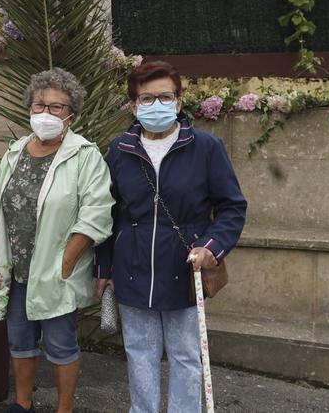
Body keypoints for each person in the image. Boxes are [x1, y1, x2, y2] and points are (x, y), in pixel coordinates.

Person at [94, 61, 247, 413]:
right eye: (146, 98)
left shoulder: (206, 147)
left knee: (185, 358)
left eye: (164, 96)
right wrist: (104, 268)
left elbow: (232, 207)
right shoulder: (120, 150)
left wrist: (211, 249)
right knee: (139, 356)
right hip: (132, 270)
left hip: (184, 270)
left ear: (178, 102)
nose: (156, 105)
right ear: (133, 106)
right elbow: (108, 212)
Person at [0, 69, 114, 413]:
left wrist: (67, 263)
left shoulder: (85, 156)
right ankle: (23, 402)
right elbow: (0, 205)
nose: (46, 113)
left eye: (57, 107)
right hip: (16, 270)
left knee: (60, 343)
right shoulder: (15, 151)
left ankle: (64, 408)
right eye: (39, 105)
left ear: (72, 114)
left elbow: (97, 214)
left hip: (58, 270)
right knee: (20, 340)